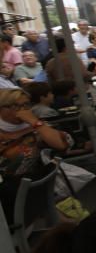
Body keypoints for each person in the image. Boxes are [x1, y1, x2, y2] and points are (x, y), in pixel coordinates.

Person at [0, 88, 70, 221]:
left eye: (26, 104)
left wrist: (35, 122)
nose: (22, 110)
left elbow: (61, 144)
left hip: (21, 194)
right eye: (15, 106)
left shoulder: (37, 130)